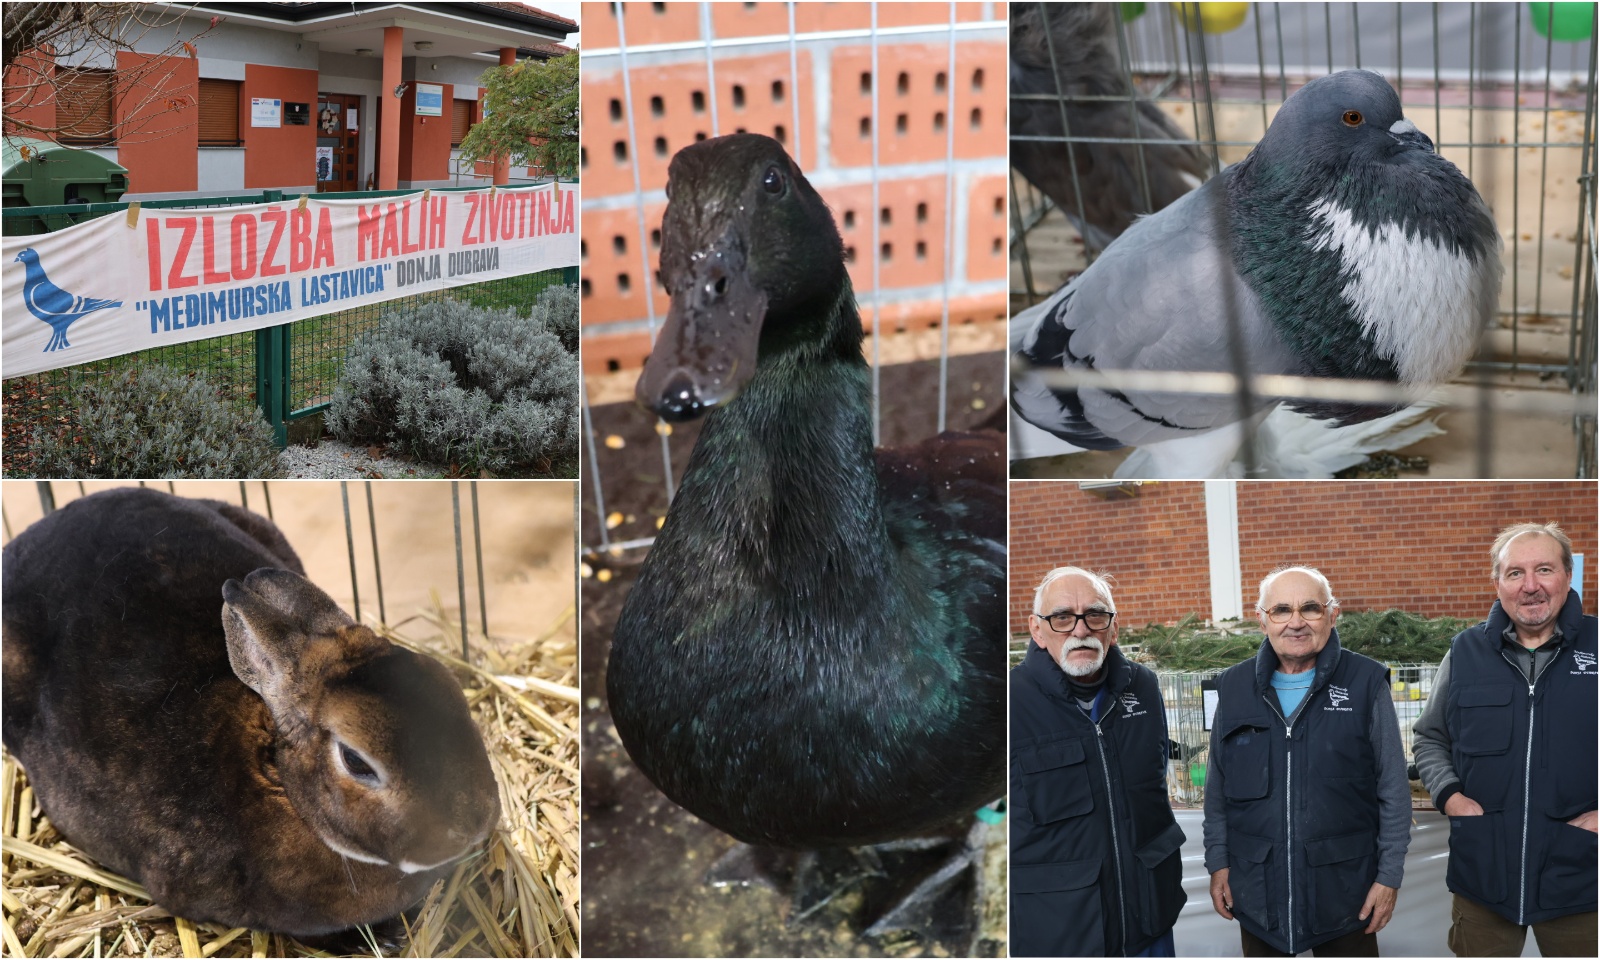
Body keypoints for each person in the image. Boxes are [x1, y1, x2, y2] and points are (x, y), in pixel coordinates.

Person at [1203, 566, 1411, 957]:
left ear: (1333, 615)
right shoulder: (1233, 687)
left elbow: (1394, 790)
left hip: (1347, 893)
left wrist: (1389, 876)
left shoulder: (1366, 683)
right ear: (1262, 620)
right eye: (1281, 610)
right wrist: (1218, 862)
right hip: (1258, 891)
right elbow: (1217, 791)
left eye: (1310, 608)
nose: (1295, 622)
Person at [1411, 523, 1597, 957]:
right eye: (1515, 573)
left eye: (1544, 570)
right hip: (1484, 874)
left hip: (1584, 875)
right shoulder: (1465, 652)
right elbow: (1430, 737)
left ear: (1568, 577)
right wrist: (1451, 797)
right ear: (1497, 583)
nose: (1530, 586)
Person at [1011, 567, 1185, 957]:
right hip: (1060, 934)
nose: (1079, 630)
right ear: (1037, 630)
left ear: (1114, 627)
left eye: (1095, 615)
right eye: (1061, 617)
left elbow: (1154, 781)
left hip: (1148, 924)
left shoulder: (1143, 687)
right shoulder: (1008, 704)